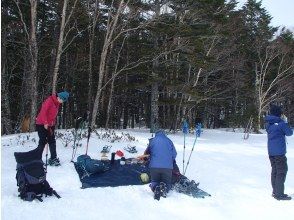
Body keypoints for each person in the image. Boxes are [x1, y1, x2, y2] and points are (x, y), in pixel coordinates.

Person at [265, 105, 293, 200]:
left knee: (275, 171)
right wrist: (285, 122)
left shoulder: (268, 123)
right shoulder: (281, 123)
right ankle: (279, 194)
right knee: (281, 171)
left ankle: (275, 192)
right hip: (279, 152)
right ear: (278, 113)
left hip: (271, 151)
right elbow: (289, 133)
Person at [36, 91, 69, 166]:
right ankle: (37, 159)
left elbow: (53, 114)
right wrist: (45, 122)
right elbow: (43, 112)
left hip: (50, 125)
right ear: (59, 97)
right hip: (41, 123)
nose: (62, 102)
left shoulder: (57, 102)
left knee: (52, 141)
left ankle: (53, 158)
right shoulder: (49, 101)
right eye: (62, 100)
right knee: (43, 141)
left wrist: (52, 124)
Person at [144, 130, 177, 200]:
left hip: (154, 167)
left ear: (156, 134)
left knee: (154, 181)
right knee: (167, 182)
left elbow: (146, 154)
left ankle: (156, 187)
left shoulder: (152, 141)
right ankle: (164, 188)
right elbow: (174, 154)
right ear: (164, 134)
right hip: (167, 167)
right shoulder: (169, 141)